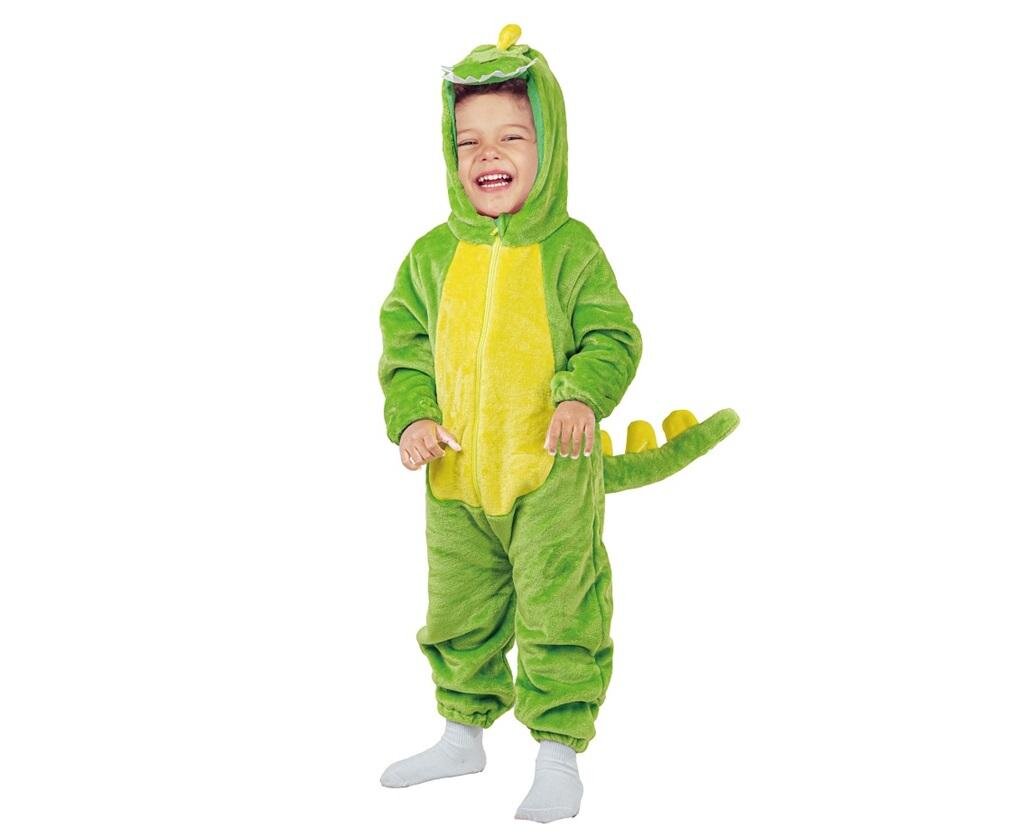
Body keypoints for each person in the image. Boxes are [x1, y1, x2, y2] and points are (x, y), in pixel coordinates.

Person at [377, 24, 642, 823]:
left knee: (559, 606)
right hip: (456, 475)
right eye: (469, 142)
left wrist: (580, 396)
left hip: (550, 475)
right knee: (457, 607)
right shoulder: (431, 255)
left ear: (547, 146)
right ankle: (461, 733)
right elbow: (405, 345)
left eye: (511, 137)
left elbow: (613, 335)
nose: (487, 155)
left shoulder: (571, 248)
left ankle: (558, 753)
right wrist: (412, 418)